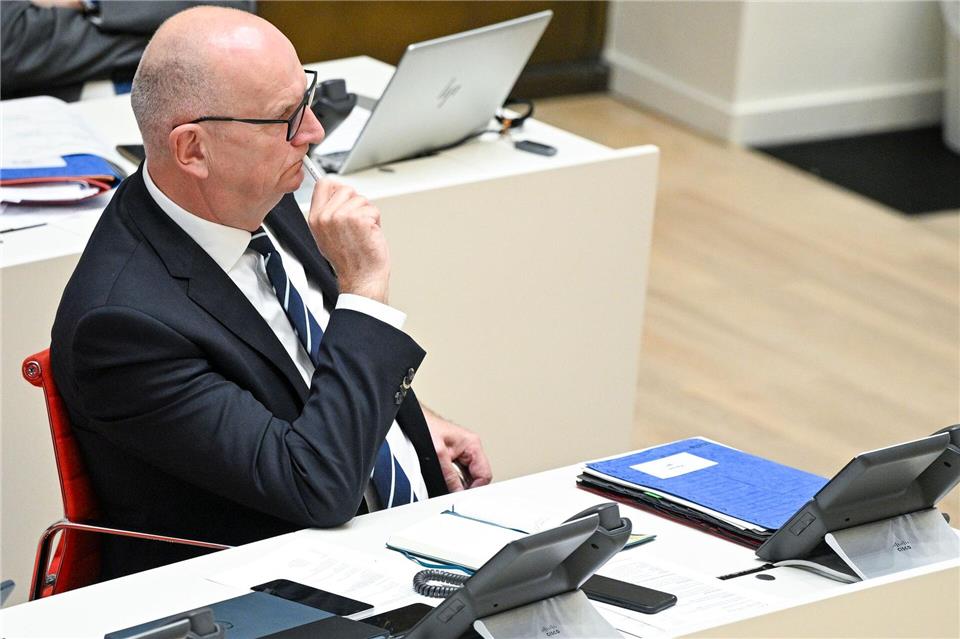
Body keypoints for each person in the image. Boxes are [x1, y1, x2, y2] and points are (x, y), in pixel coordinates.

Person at [50, 6, 491, 580]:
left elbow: (302, 367)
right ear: (193, 150)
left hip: (412, 531)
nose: (313, 133)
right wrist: (364, 291)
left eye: (305, 100)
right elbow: (315, 489)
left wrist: (411, 417)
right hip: (282, 585)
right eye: (286, 118)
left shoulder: (260, 192)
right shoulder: (121, 326)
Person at [0, 0, 254, 101]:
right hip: (50, 126)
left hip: (185, 109)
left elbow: (231, 9)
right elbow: (10, 42)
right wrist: (166, 38)